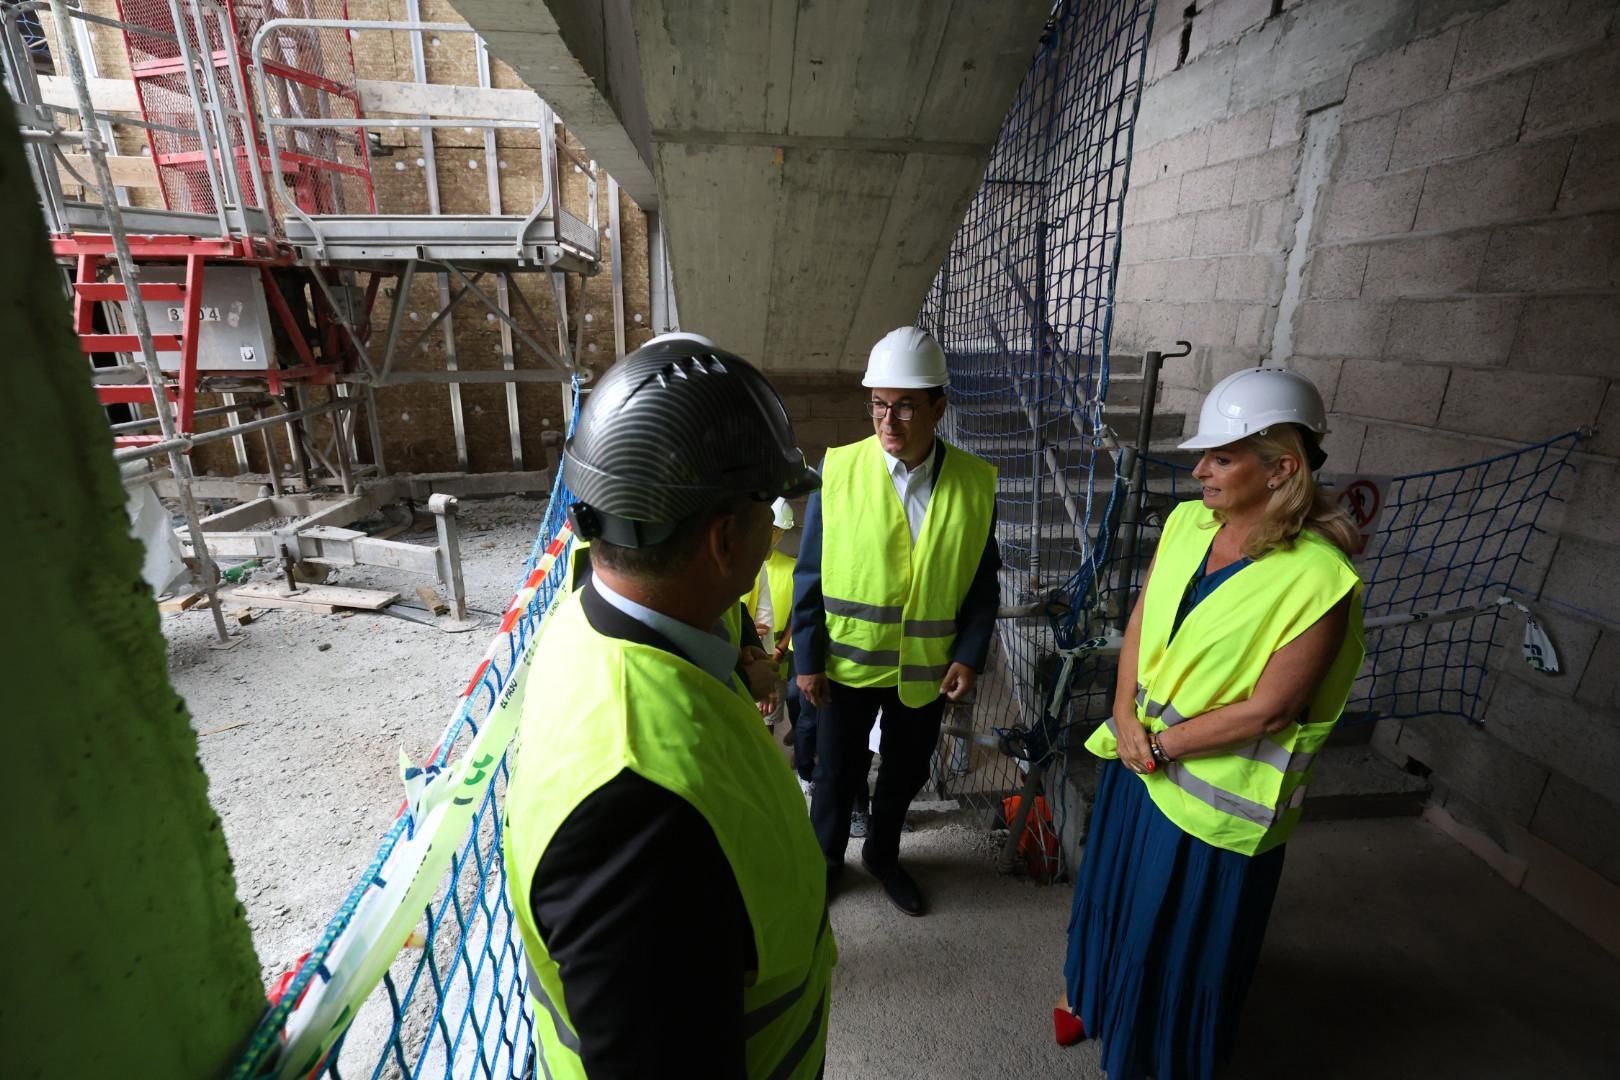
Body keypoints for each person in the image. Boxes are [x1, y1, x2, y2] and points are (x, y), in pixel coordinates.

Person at [503, 337, 834, 1079]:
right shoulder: (639, 820)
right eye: (768, 507)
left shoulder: (591, 617)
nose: (779, 524)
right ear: (723, 537)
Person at [1055, 367, 1365, 1080]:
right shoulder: (1189, 522)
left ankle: (1151, 1057)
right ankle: (1094, 998)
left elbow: (1272, 709)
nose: (1199, 470)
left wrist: (1157, 744)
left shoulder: (1321, 580)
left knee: (1176, 941)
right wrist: (1123, 710)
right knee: (1115, 898)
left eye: (1221, 456)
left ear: (1280, 467)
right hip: (1141, 766)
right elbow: (1141, 617)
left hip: (1214, 810)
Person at [792, 326, 1001, 916]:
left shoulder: (975, 484)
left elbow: (982, 585)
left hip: (927, 673)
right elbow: (809, 577)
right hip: (845, 667)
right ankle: (826, 863)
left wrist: (970, 653)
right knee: (835, 775)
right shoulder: (838, 472)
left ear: (939, 405)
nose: (889, 420)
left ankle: (884, 855)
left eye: (906, 406)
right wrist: (806, 661)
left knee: (905, 772)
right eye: (879, 404)